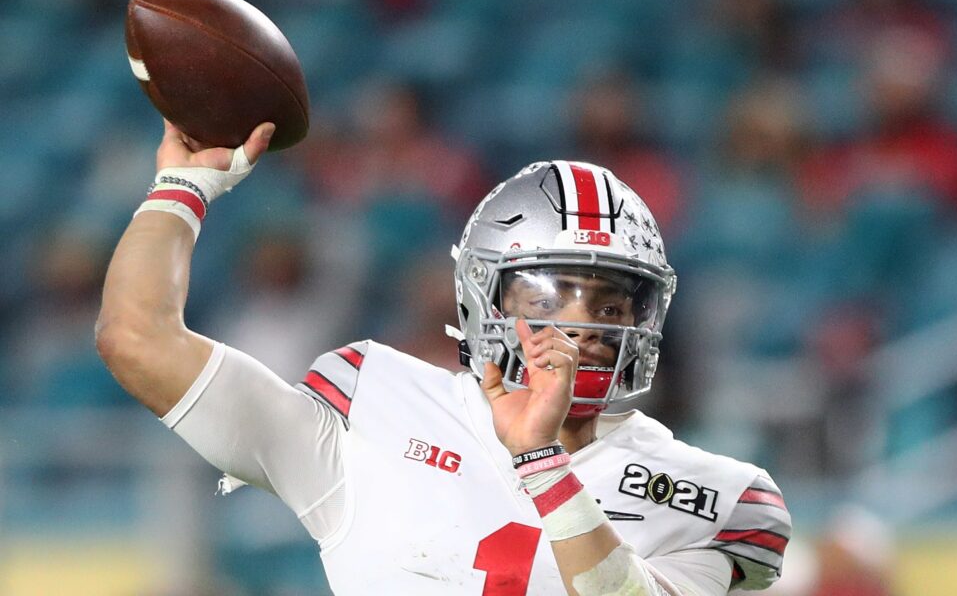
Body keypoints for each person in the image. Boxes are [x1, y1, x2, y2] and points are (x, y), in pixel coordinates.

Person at [96, 120, 791, 595]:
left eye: (612, 305)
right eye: (552, 295)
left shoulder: (718, 496)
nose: (583, 326)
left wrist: (542, 463)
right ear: (482, 299)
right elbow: (137, 340)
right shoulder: (372, 402)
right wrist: (181, 190)